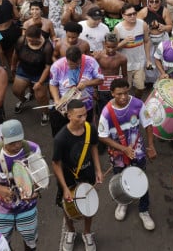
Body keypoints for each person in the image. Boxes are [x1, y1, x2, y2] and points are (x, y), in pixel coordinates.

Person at [98, 78, 157, 230]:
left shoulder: (138, 104)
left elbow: (148, 124)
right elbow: (102, 136)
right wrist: (123, 149)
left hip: (137, 151)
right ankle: (123, 202)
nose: (123, 97)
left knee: (141, 179)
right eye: (119, 94)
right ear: (112, 93)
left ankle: (144, 210)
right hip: (118, 154)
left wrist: (151, 146)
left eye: (126, 92)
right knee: (120, 179)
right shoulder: (106, 112)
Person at [52, 99, 103, 251]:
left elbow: (94, 147)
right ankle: (71, 231)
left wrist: (98, 170)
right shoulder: (60, 138)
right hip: (68, 177)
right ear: (69, 116)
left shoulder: (90, 128)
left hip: (87, 173)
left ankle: (87, 232)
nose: (83, 119)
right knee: (67, 206)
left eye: (85, 114)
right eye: (79, 116)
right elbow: (56, 164)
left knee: (88, 203)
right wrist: (64, 188)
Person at [0, 119, 41, 250]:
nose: (17, 146)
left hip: (28, 206)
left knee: (30, 241)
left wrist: (35, 191)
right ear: (2, 139)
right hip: (4, 206)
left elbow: (39, 176)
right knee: (1, 241)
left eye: (19, 140)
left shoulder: (33, 149)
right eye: (12, 143)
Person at [48, 46, 104, 137]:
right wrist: (57, 100)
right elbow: (53, 84)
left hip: (85, 107)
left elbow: (101, 80)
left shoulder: (91, 62)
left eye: (76, 64)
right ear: (66, 58)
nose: (72, 67)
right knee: (61, 134)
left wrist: (86, 83)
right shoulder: (57, 66)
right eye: (70, 64)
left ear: (81, 58)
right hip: (65, 107)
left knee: (85, 133)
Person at [11, 25, 54, 126]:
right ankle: (23, 100)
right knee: (16, 91)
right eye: (29, 40)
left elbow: (48, 67)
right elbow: (15, 54)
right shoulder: (22, 40)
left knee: (41, 96)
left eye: (34, 40)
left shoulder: (47, 46)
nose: (30, 42)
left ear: (39, 37)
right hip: (24, 70)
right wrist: (13, 65)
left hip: (40, 73)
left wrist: (40, 83)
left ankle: (45, 113)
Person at [113, 3, 150, 99]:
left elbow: (146, 41)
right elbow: (113, 48)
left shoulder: (142, 24)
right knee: (126, 89)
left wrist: (148, 60)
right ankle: (128, 103)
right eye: (129, 15)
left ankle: (137, 101)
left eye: (134, 13)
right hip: (125, 65)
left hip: (139, 62)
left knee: (141, 88)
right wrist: (124, 42)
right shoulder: (118, 28)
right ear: (123, 16)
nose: (133, 16)